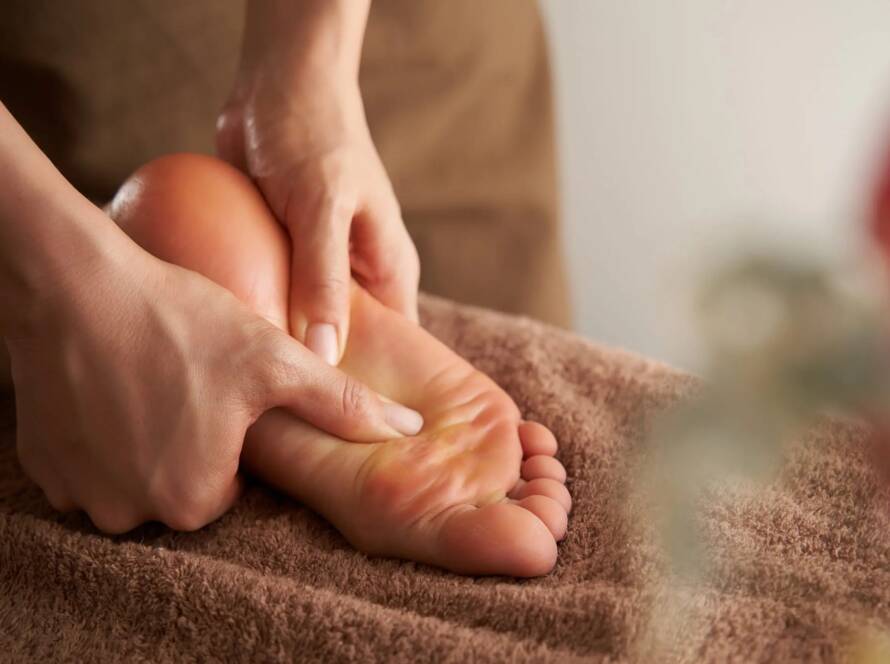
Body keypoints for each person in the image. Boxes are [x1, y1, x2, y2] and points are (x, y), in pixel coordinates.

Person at [0, 1, 570, 535]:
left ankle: (270, 337)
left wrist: (310, 70)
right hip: (68, 96)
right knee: (173, 253)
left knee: (199, 222)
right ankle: (278, 370)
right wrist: (47, 263)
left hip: (413, 48)